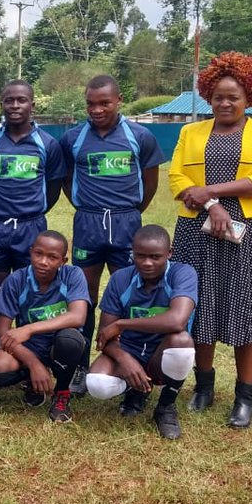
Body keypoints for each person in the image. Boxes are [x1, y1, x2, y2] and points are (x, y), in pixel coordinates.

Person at [169, 51, 252, 429]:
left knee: (247, 307)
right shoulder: (190, 132)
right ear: (209, 96)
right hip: (197, 231)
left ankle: (245, 395)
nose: (225, 103)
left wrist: (211, 192)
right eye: (218, 96)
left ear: (249, 98)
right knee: (200, 303)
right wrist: (211, 204)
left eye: (233, 97)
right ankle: (203, 387)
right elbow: (177, 181)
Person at [60, 75, 165, 376]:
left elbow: (150, 181)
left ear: (119, 101)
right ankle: (79, 364)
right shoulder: (73, 138)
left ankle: (127, 358)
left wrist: (130, 211)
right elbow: (66, 180)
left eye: (104, 103)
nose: (97, 109)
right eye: (91, 104)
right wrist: (85, 206)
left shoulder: (140, 136)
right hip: (88, 223)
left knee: (129, 292)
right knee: (84, 295)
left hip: (126, 222)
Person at [85, 225, 197, 440]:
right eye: (140, 256)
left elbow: (176, 321)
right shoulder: (121, 279)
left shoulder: (183, 273)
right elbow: (104, 335)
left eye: (155, 257)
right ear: (132, 253)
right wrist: (125, 360)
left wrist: (122, 324)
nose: (147, 263)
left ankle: (166, 406)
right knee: (97, 384)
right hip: (130, 348)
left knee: (181, 342)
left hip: (162, 350)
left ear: (169, 253)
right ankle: (135, 390)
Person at [0, 231, 88, 426]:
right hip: (30, 346)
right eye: (38, 254)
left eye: (52, 257)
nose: (43, 261)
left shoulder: (73, 275)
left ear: (63, 261)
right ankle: (32, 381)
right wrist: (33, 364)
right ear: (30, 252)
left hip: (61, 344)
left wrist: (29, 328)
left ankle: (62, 393)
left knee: (70, 340)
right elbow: (1, 330)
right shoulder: (17, 279)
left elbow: (78, 316)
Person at [0, 81, 67, 283]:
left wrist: (30, 213)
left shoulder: (48, 144)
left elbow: (53, 188)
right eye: (9, 101)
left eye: (21, 100)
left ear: (32, 105)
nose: (15, 105)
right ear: (2, 105)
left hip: (31, 227)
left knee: (30, 285)